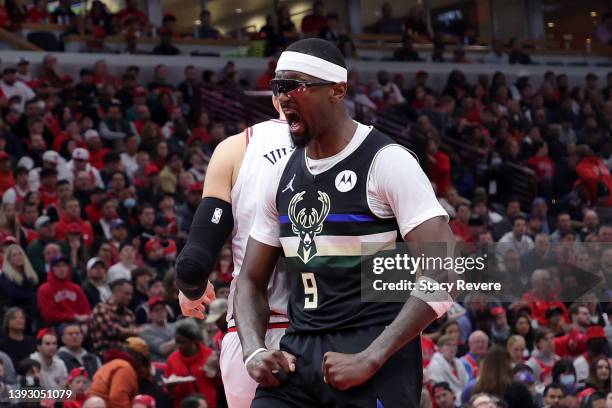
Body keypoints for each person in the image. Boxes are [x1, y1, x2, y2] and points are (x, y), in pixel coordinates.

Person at [234, 38, 454, 407]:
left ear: (337, 90)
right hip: (298, 352)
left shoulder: (387, 161)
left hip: (374, 349)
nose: (282, 96)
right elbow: (250, 281)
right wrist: (254, 350)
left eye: (294, 85)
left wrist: (371, 356)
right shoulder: (280, 174)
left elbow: (446, 272)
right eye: (277, 87)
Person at [175, 95, 292, 407]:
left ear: (274, 97)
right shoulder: (361, 147)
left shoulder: (236, 148)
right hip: (330, 330)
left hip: (250, 334)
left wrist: (192, 290)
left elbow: (193, 264)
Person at [165, 320, 219, 408]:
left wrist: (215, 372)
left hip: (210, 404)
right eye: (177, 342)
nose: (178, 346)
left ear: (193, 341)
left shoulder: (209, 355)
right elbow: (168, 391)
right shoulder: (172, 359)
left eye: (182, 342)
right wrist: (170, 387)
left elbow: (218, 383)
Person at [36, 255, 91, 326]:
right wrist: (74, 317)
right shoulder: (44, 289)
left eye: (64, 265)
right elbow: (48, 315)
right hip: (56, 325)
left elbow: (85, 310)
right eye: (58, 266)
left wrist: (84, 321)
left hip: (78, 323)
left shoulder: (76, 288)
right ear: (52, 269)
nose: (62, 269)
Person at [89, 279, 138, 354]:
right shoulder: (101, 308)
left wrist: (124, 330)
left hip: (127, 353)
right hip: (105, 353)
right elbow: (111, 331)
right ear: (117, 292)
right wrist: (129, 331)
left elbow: (134, 336)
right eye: (127, 294)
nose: (130, 298)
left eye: (131, 294)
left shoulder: (129, 313)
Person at [427, 335, 470, 400]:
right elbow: (438, 387)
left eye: (454, 345)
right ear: (439, 348)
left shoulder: (459, 363)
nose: (452, 348)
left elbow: (466, 383)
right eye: (448, 345)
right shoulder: (434, 365)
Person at [140, 296, 176, 362]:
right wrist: (181, 337)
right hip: (160, 367)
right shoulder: (146, 331)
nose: (160, 312)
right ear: (150, 314)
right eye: (156, 310)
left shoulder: (173, 326)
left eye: (162, 309)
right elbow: (162, 349)